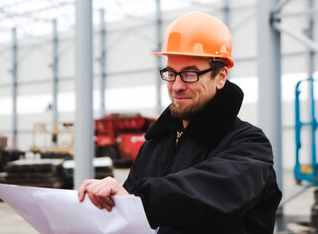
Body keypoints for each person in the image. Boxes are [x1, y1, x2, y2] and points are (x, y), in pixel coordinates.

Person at [78, 12, 282, 234]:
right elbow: (129, 215)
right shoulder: (153, 145)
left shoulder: (249, 145)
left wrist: (140, 199)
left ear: (221, 76)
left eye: (190, 74)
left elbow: (212, 191)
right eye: (171, 73)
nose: (176, 86)